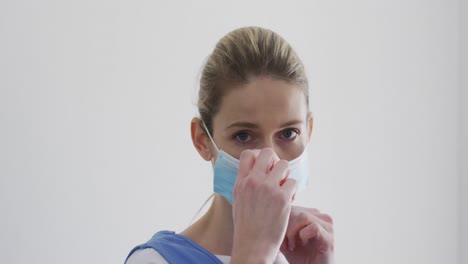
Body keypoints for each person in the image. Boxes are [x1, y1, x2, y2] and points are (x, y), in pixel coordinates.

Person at [125, 26, 334, 264]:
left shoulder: (299, 254)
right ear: (202, 140)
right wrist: (253, 254)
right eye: (244, 136)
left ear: (309, 131)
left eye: (288, 133)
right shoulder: (153, 260)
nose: (271, 159)